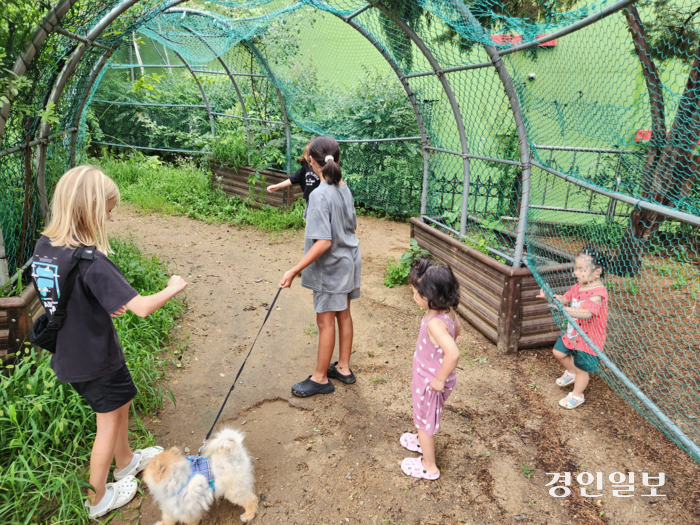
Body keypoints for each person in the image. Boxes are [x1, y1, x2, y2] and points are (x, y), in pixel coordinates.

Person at [31, 166, 188, 518]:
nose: (109, 219)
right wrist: (173, 286)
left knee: (121, 403)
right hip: (95, 358)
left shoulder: (46, 246)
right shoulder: (92, 260)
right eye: (108, 212)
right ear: (91, 210)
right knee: (108, 423)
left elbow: (59, 294)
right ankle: (97, 498)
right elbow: (143, 308)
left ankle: (126, 462)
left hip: (71, 353)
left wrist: (97, 305)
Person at [279, 135, 361, 397]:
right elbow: (353, 226)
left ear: (312, 162)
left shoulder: (318, 195)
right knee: (344, 315)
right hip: (349, 261)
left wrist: (293, 270)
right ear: (337, 160)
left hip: (332, 268)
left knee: (325, 322)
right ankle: (344, 368)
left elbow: (323, 242)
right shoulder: (344, 187)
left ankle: (320, 377)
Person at [400, 258, 461, 480]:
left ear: (430, 297)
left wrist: (439, 379)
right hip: (428, 376)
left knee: (425, 423)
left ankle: (429, 465)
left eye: (416, 292)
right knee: (424, 417)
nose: (413, 296)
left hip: (431, 382)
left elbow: (453, 353)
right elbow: (457, 330)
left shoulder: (435, 323)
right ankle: (421, 441)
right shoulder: (448, 312)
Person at [537, 246, 609, 409]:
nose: (576, 273)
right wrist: (551, 297)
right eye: (575, 268)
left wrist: (562, 309)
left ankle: (577, 395)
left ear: (597, 271)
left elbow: (586, 313)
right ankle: (571, 373)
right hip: (574, 333)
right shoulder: (579, 285)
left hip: (590, 339)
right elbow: (565, 298)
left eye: (581, 269)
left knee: (581, 367)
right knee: (559, 352)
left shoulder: (599, 293)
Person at [266, 138, 321, 214]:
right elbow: (294, 178)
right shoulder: (306, 166)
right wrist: (277, 186)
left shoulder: (324, 167)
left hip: (322, 201)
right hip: (310, 201)